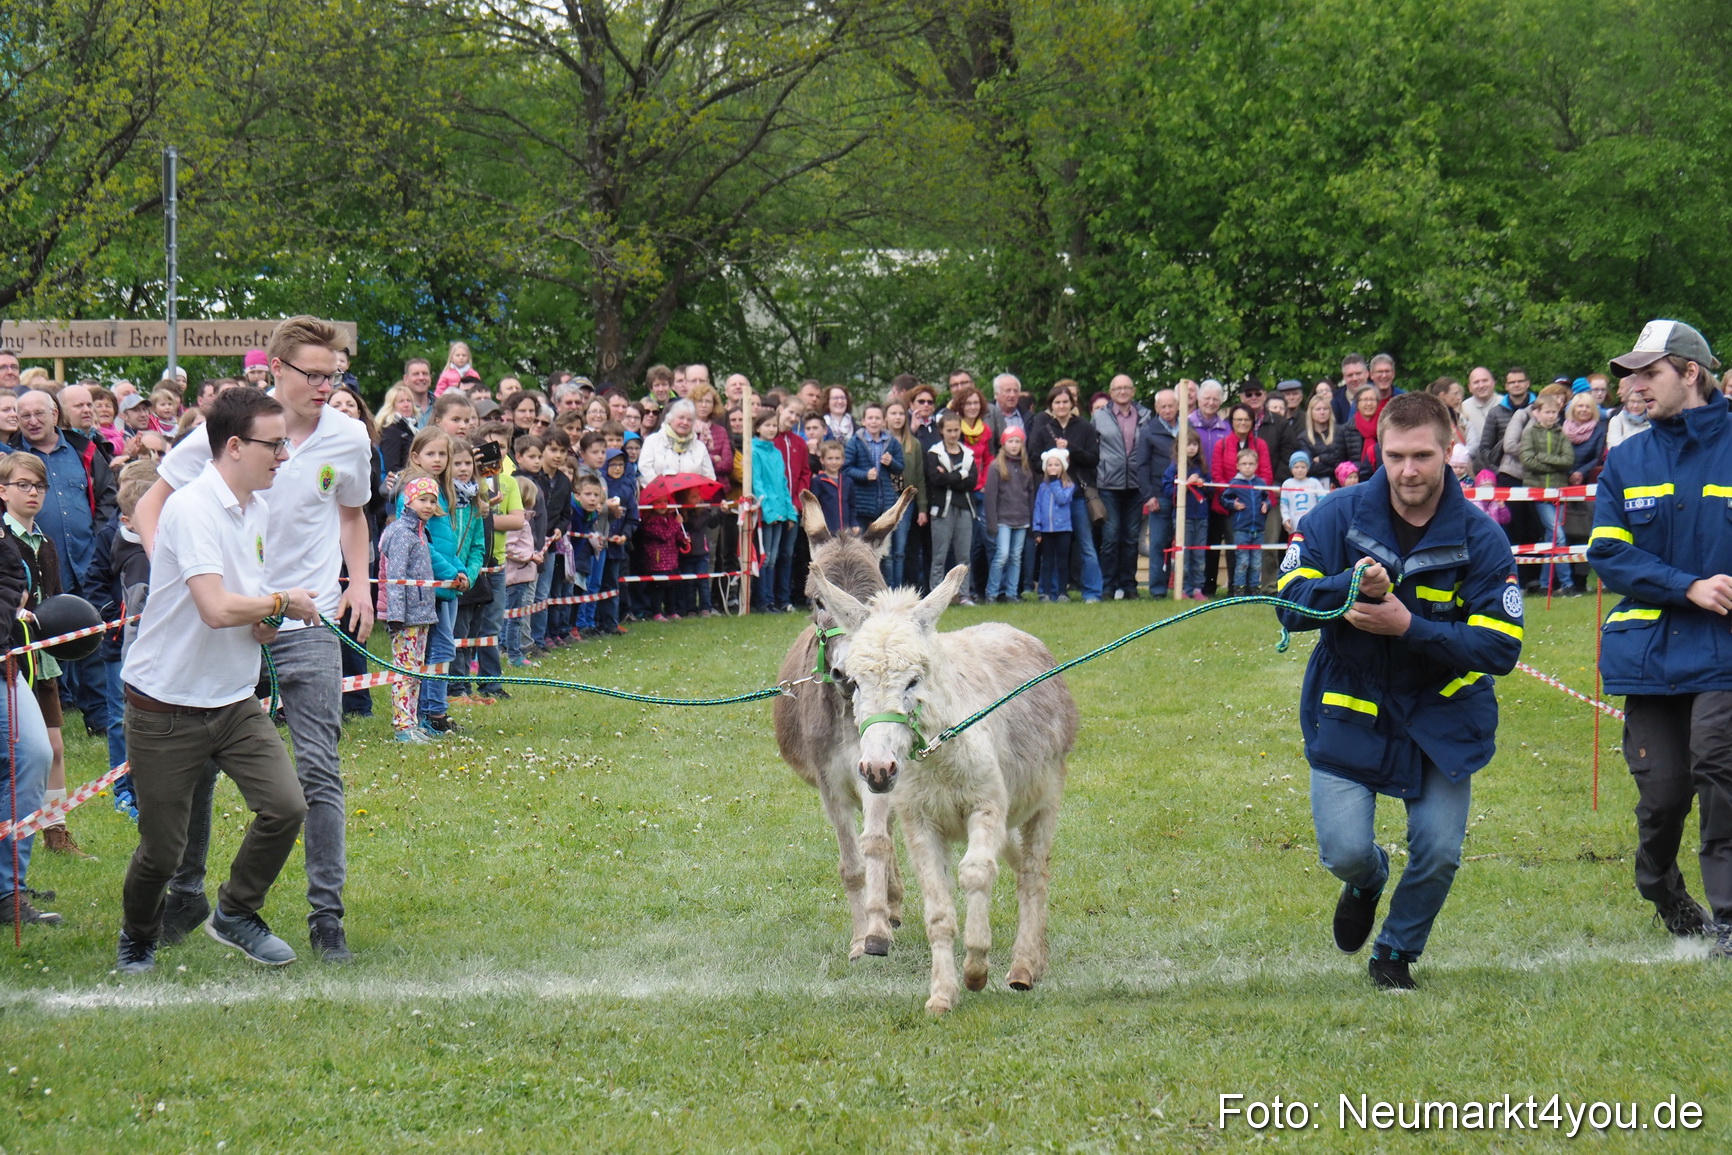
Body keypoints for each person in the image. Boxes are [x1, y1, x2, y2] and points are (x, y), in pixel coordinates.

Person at [134, 316, 374, 964]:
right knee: (202, 767)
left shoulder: (349, 438)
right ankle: (184, 892)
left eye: (336, 375)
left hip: (307, 620)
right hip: (233, 621)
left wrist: (359, 584)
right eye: (315, 374)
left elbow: (352, 512)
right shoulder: (228, 434)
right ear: (277, 368)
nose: (327, 385)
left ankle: (328, 919)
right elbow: (150, 507)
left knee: (318, 770)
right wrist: (178, 577)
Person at [1275, 392, 1522, 990]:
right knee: (1344, 852)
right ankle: (1367, 880)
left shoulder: (1483, 539)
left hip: (1443, 719)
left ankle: (1395, 951)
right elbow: (1286, 603)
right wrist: (1348, 585)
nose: (1408, 471)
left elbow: (1500, 646)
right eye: (1394, 456)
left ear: (1449, 451)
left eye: (1422, 456)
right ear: (1377, 451)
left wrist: (1411, 627)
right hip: (1351, 710)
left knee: (1438, 850)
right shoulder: (1337, 515)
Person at [115, 388, 323, 974]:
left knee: (285, 806)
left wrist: (264, 617)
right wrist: (282, 600)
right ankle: (137, 935)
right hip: (165, 706)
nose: (284, 455)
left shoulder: (254, 508)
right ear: (234, 446)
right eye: (274, 444)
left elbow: (238, 603)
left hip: (232, 701)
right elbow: (211, 606)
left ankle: (235, 912)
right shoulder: (191, 507)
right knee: (163, 853)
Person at [1588, 320, 1732, 955]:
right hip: (1650, 653)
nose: (1636, 387)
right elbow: (1608, 551)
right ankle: (1660, 887)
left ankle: (1729, 917)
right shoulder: (1626, 458)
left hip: (1725, 650)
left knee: (1718, 766)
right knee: (1664, 794)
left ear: (1689, 373)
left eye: (1649, 374)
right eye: (1632, 376)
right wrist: (1687, 586)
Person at [377, 476, 443, 742]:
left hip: (422, 613)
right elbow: (395, 577)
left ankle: (412, 721)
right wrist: (395, 615)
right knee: (404, 671)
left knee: (416, 670)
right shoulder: (401, 533)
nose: (427, 505)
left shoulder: (421, 531)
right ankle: (402, 726)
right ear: (408, 500)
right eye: (422, 500)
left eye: (432, 501)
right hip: (405, 617)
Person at [1026, 382, 1102, 602]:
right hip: (1051, 499)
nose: (1061, 406)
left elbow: (1093, 458)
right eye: (1057, 402)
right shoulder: (1042, 430)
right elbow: (1033, 458)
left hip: (1078, 495)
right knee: (1051, 551)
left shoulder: (1085, 427)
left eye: (1065, 402)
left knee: (1086, 545)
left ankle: (1092, 592)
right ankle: (1050, 591)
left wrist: (1070, 449)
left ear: (1072, 404)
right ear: (1051, 405)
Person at [1092, 374, 1149, 601]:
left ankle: (1129, 585)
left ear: (1133, 391)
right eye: (1118, 388)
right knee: (1111, 536)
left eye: (1127, 388)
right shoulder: (1099, 417)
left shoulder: (1145, 415)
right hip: (1108, 484)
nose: (1123, 392)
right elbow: (1092, 448)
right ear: (1111, 392)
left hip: (1136, 484)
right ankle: (1108, 586)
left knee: (1131, 537)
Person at [1518, 385, 1576, 594]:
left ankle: (1545, 585)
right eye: (1548, 412)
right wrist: (1554, 462)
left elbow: (1568, 460)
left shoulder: (1562, 433)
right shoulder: (1529, 433)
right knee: (1557, 535)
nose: (1552, 416)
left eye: (1555, 412)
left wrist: (1543, 458)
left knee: (1550, 538)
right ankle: (1568, 584)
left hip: (1559, 491)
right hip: (1538, 491)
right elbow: (1527, 460)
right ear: (1537, 413)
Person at [748, 409, 799, 613]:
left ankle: (771, 599)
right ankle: (763, 600)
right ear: (758, 427)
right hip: (765, 511)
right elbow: (757, 483)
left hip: (779, 511)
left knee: (774, 557)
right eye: (767, 425)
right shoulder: (754, 450)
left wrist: (789, 512)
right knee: (765, 557)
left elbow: (783, 483)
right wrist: (766, 510)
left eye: (774, 425)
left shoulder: (776, 452)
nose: (771, 429)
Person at [925, 413, 977, 603]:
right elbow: (936, 480)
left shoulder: (968, 454)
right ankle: (936, 597)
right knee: (939, 554)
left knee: (963, 555)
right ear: (941, 431)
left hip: (964, 508)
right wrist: (960, 474)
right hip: (942, 510)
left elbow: (972, 482)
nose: (953, 434)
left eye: (956, 430)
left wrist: (950, 476)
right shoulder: (934, 453)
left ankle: (964, 594)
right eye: (949, 430)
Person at [983, 427, 1034, 602]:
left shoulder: (1026, 467)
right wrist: (992, 523)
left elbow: (1030, 495)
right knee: (1002, 555)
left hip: (1022, 519)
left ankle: (1011, 593)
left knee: (1015, 557)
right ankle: (992, 593)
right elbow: (990, 497)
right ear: (1004, 444)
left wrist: (1032, 521)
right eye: (1010, 441)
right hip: (1003, 519)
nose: (1014, 445)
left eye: (1017, 441)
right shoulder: (996, 466)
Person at [843, 402, 903, 535]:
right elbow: (846, 469)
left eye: (877, 418)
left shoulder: (891, 442)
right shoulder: (855, 442)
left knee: (883, 548)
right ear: (863, 421)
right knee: (859, 547)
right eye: (870, 418)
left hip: (885, 503)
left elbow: (900, 468)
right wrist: (865, 475)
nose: (874, 422)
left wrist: (891, 462)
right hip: (861, 503)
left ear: (884, 421)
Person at [1222, 448, 1268, 597]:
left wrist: (1266, 504)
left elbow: (1267, 498)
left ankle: (1254, 589)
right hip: (1241, 529)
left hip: (1258, 529)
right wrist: (1233, 505)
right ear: (1237, 465)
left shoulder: (1260, 482)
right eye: (1244, 463)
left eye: (1251, 463)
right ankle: (1239, 589)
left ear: (1256, 465)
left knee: (1256, 562)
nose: (1247, 466)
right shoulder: (1235, 483)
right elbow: (1224, 499)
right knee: (1243, 561)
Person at [1280, 451, 1328, 538]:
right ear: (1291, 468)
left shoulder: (1314, 483)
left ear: (1308, 468)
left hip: (1312, 526)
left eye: (1303, 467)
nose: (1300, 470)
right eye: (1296, 467)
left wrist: (1319, 518)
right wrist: (1286, 518)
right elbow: (1284, 505)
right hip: (1294, 526)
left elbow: (1323, 502)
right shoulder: (1287, 484)